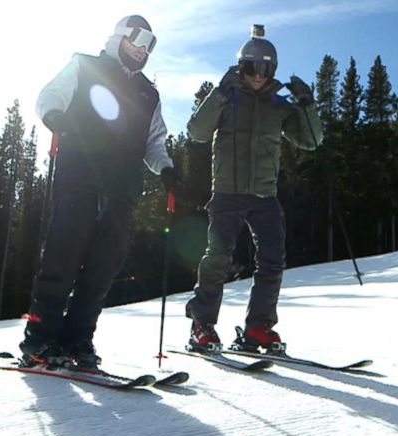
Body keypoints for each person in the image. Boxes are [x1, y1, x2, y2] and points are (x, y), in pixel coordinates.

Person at [21, 15, 179, 369]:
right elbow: (50, 95)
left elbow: (155, 142)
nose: (142, 50)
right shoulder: (85, 66)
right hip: (80, 175)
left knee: (102, 268)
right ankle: (40, 340)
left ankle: (78, 339)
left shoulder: (148, 94)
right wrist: (53, 116)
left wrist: (166, 168)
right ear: (120, 37)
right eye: (137, 40)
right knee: (62, 256)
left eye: (149, 45)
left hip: (122, 188)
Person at [184, 24, 322, 355]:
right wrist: (218, 93)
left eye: (265, 68)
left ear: (273, 69)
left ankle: (258, 328)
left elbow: (312, 141)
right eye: (251, 67)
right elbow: (196, 132)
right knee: (218, 258)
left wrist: (306, 105)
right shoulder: (228, 96)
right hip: (228, 193)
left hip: (264, 196)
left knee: (273, 260)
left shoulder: (279, 105)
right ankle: (202, 325)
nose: (258, 75)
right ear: (240, 67)